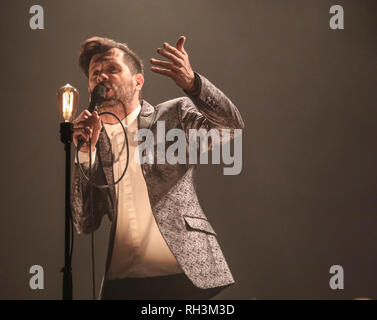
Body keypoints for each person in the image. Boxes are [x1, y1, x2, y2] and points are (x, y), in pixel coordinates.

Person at [71, 35, 244, 300]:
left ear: (138, 81)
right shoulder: (95, 142)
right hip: (122, 282)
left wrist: (193, 85)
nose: (101, 77)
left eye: (112, 69)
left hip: (181, 275)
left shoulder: (171, 117)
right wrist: (85, 153)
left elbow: (230, 128)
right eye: (95, 73)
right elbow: (84, 222)